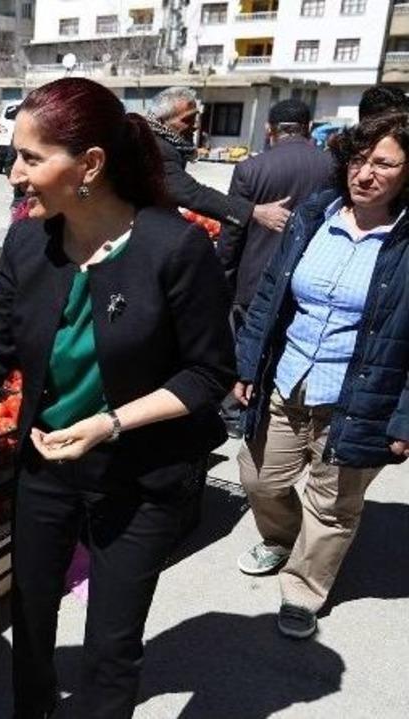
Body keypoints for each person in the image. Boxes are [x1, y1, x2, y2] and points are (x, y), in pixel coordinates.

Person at [0, 78, 236, 718]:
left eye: (31, 158)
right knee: (32, 614)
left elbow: (208, 375)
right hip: (45, 464)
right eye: (14, 155)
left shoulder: (173, 247)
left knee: (111, 646)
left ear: (90, 164)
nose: (13, 173)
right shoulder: (27, 243)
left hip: (138, 474)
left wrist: (109, 424)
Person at [234, 111, 409, 640]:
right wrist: (248, 361)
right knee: (259, 477)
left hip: (361, 395)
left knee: (333, 504)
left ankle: (304, 588)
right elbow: (272, 292)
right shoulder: (317, 212)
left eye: (384, 164)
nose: (365, 173)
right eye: (358, 159)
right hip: (289, 376)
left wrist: (404, 417)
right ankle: (285, 537)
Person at [218, 99, 335, 320]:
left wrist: (225, 278)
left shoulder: (249, 169)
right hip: (311, 283)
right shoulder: (332, 166)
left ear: (268, 129)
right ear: (309, 127)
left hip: (255, 283)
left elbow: (232, 232)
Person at [146, 86, 292, 235]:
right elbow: (191, 193)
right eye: (187, 120)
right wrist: (253, 212)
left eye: (195, 118)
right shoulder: (158, 149)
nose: (195, 126)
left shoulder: (159, 142)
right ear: (162, 121)